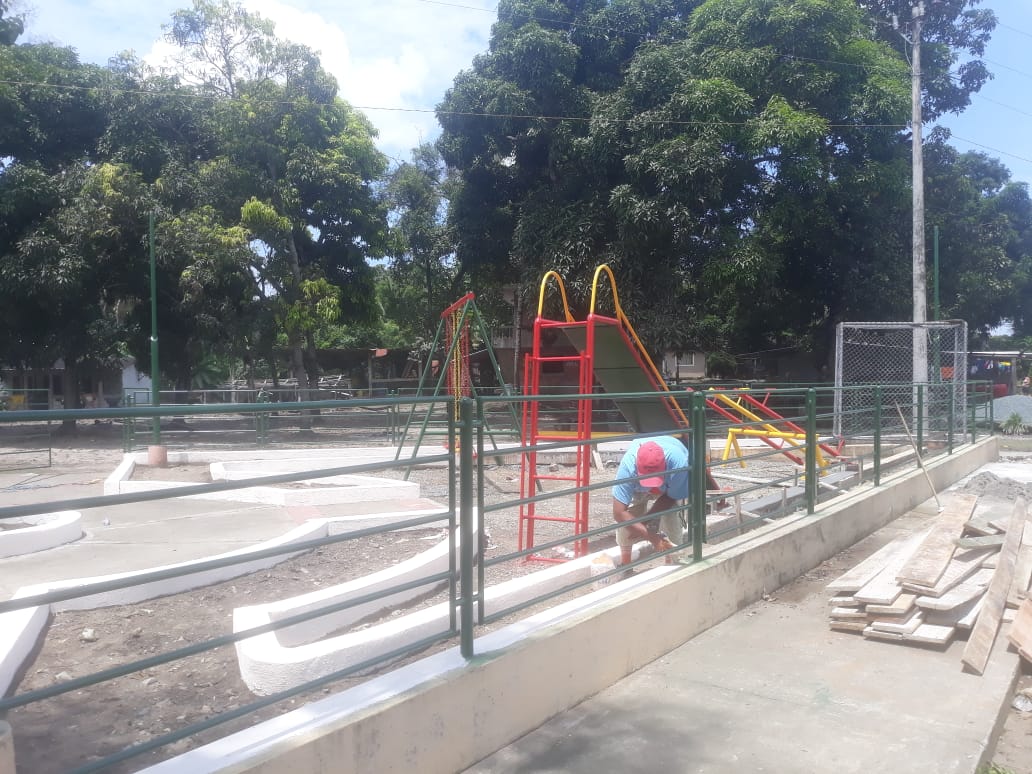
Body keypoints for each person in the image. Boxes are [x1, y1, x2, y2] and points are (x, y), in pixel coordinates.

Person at [611, 436, 690, 569]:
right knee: (630, 516)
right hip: (638, 486)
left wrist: (645, 521)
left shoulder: (678, 464)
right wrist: (651, 536)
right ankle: (626, 565)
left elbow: (671, 497)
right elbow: (619, 513)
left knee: (672, 516)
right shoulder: (628, 468)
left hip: (668, 488)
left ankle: (672, 563)